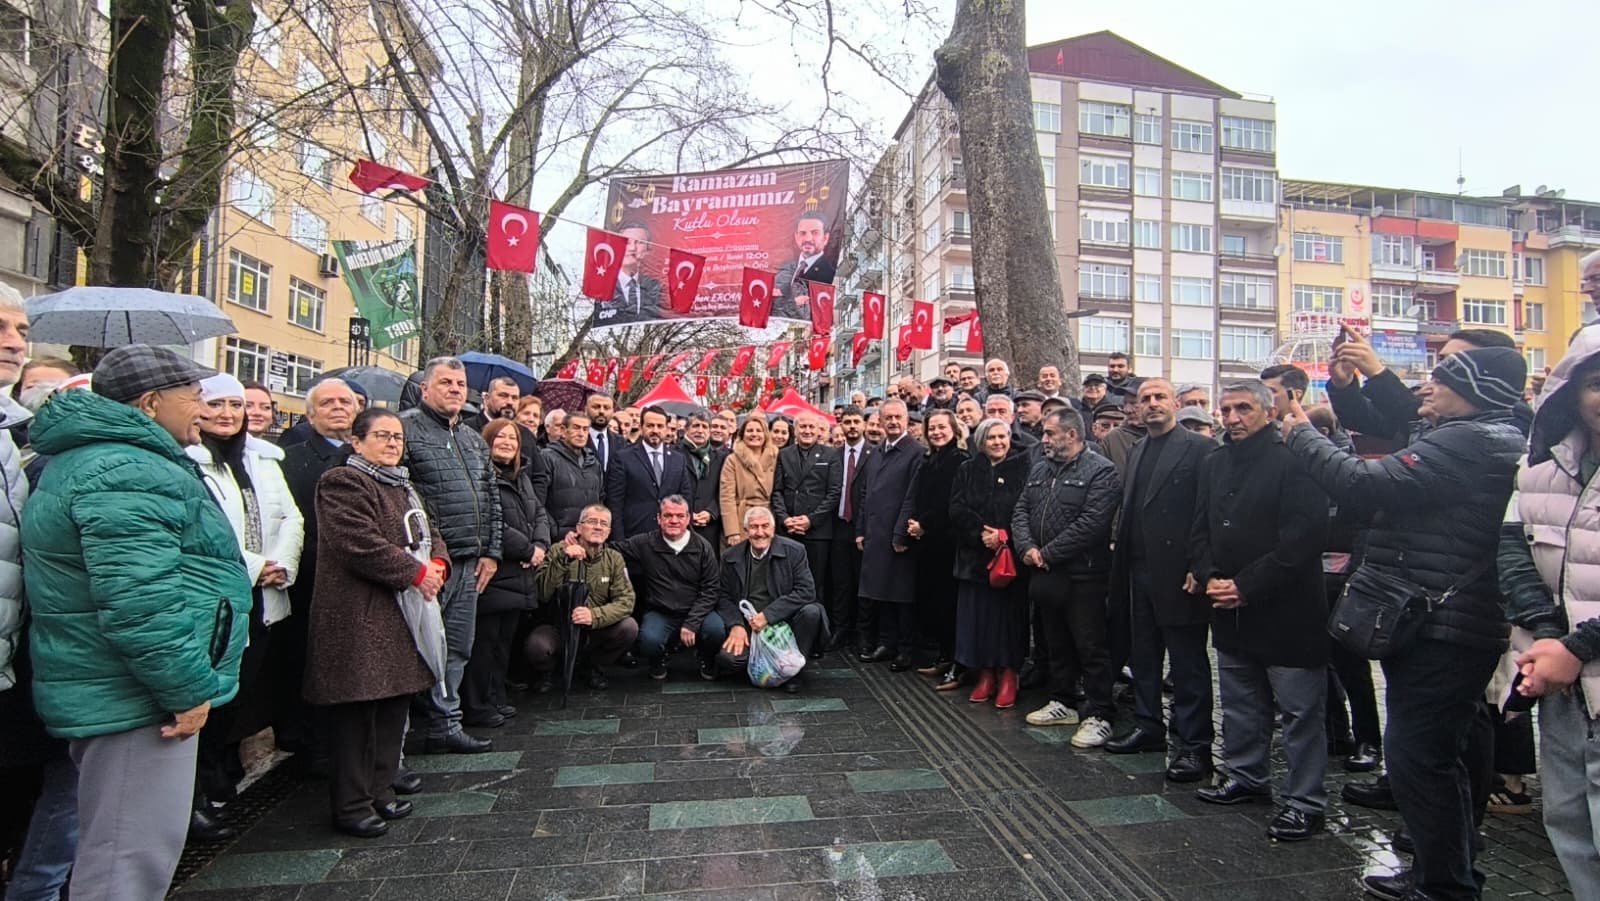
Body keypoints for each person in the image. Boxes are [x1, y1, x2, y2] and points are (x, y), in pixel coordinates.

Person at [1283, 346, 1527, 898]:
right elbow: (1393, 429)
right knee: (1440, 757)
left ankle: (1444, 886)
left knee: (1420, 760)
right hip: (1444, 618)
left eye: (1444, 379)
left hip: (1441, 622)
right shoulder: (1482, 435)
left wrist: (1303, 436)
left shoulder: (1469, 441)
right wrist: (1349, 389)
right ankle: (1448, 871)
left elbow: (1365, 484)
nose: (1429, 387)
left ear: (1477, 391)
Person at [22, 345, 251, 899]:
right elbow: (140, 600)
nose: (205, 408)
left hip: (123, 689)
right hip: (138, 698)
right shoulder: (125, 469)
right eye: (193, 396)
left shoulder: (115, 460)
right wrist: (186, 689)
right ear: (150, 403)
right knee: (126, 863)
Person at [1190, 380, 1330, 842]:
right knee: (1240, 702)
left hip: (1287, 611)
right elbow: (1200, 528)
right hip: (1229, 607)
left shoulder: (1295, 460)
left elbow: (1304, 538)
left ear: (1269, 412)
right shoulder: (1214, 462)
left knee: (1299, 713)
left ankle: (1305, 801)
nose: (1232, 418)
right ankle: (1246, 775)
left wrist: (1246, 586)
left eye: (1244, 408)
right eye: (1226, 409)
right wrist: (1208, 575)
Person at [303, 408, 444, 839]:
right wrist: (415, 572)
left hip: (401, 613)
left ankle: (381, 789)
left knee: (392, 708)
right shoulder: (343, 482)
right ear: (357, 441)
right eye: (382, 436)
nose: (392, 444)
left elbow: (428, 531)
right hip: (358, 615)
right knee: (357, 717)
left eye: (397, 437)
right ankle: (351, 804)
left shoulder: (402, 484)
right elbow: (358, 543)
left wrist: (438, 562)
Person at [1498, 327, 1600, 899]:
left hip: (1580, 663)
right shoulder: (1539, 468)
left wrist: (1578, 647)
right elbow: (1513, 548)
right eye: (1595, 383)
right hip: (1561, 685)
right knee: (1569, 821)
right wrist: (1546, 636)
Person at [186, 374, 304, 840]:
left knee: (241, 693)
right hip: (220, 595)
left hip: (267, 592)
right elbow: (208, 528)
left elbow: (290, 516)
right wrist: (255, 566)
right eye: (216, 404)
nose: (228, 414)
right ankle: (194, 795)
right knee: (210, 699)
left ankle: (217, 777)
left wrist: (282, 564)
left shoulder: (262, 459)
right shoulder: (190, 462)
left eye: (235, 405)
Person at [1105, 379, 1217, 783]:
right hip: (1137, 569)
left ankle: (1195, 745)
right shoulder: (1138, 450)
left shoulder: (1200, 449)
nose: (1152, 404)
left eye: (1159, 398)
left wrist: (1200, 567)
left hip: (1179, 573)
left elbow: (1207, 512)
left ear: (1175, 404)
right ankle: (1148, 725)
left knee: (1187, 664)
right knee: (1145, 656)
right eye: (1145, 399)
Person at [400, 357, 502, 755]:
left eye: (460, 384)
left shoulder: (472, 439)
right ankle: (402, 736)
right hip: (429, 563)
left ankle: (446, 723)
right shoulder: (406, 431)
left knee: (457, 647)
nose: (455, 389)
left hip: (471, 562)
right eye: (445, 382)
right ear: (425, 389)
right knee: (415, 648)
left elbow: (491, 498)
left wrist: (491, 552)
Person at [1014, 409, 1121, 748]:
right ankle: (1063, 700)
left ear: (1071, 434)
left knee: (1090, 645)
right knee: (1055, 641)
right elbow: (1021, 510)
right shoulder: (1041, 468)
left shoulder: (1101, 471)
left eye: (1049, 433)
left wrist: (1047, 553)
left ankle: (1100, 713)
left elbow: (1092, 524)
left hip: (1084, 575)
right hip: (1046, 574)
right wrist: (1027, 548)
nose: (1043, 439)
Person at [274, 378, 358, 768]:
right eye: (327, 403)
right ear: (310, 415)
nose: (338, 408)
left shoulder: (370, 454)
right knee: (309, 662)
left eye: (344, 401)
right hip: (311, 577)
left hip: (362, 581)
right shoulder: (290, 461)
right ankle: (314, 746)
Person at [462, 420, 551, 729]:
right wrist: (527, 550)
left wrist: (541, 544)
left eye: (512, 438)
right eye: (500, 436)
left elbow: (539, 512)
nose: (507, 442)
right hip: (497, 569)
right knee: (484, 644)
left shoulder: (521, 476)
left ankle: (496, 696)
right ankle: (476, 704)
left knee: (503, 642)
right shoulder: (481, 475)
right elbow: (491, 520)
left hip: (521, 572)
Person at [948, 419, 1031, 709]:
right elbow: (957, 507)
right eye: (991, 438)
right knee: (979, 620)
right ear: (981, 442)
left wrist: (1005, 535)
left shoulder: (1024, 467)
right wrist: (980, 533)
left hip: (1011, 561)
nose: (997, 442)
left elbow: (1028, 507)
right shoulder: (968, 469)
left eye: (1001, 437)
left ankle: (1009, 674)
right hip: (975, 558)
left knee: (1009, 620)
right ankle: (985, 674)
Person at [715, 507, 829, 693]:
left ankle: (793, 672)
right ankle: (766, 665)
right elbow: (723, 596)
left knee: (812, 612)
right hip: (750, 624)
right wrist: (736, 625)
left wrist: (768, 615)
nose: (760, 532)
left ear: (774, 529)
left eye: (765, 526)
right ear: (746, 531)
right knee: (730, 660)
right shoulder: (731, 556)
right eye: (754, 527)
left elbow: (806, 591)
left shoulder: (794, 551)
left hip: (785, 621)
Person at [529, 506, 639, 690]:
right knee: (537, 647)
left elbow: (626, 601)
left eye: (603, 524)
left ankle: (594, 667)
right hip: (559, 626)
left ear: (609, 532)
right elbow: (542, 593)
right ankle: (549, 672)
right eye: (592, 522)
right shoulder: (557, 550)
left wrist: (594, 615)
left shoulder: (614, 559)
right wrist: (563, 561)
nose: (598, 527)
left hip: (595, 628)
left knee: (629, 627)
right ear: (579, 528)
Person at [617, 496, 725, 681]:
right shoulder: (645, 543)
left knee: (717, 631)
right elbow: (611, 549)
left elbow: (711, 589)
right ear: (659, 518)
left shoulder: (703, 547)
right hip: (661, 612)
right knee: (649, 641)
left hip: (697, 611)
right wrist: (577, 540)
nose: (674, 520)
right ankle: (659, 658)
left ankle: (706, 657)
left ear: (688, 519)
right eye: (668, 516)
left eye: (680, 516)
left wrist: (692, 623)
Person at [853, 399, 923, 667]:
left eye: (897, 417)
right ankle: (886, 642)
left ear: (906, 420)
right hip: (875, 534)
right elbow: (865, 494)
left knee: (902, 595)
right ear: (880, 421)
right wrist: (860, 530)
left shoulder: (916, 452)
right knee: (879, 592)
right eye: (888, 418)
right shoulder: (877, 452)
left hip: (897, 536)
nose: (893, 422)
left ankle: (905, 648)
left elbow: (912, 497)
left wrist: (900, 534)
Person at [899, 409, 967, 682]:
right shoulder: (929, 460)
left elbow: (950, 501)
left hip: (947, 542)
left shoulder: (959, 460)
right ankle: (943, 656)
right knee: (935, 604)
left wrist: (924, 524)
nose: (937, 432)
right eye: (933, 428)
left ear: (954, 429)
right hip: (928, 543)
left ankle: (956, 663)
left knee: (950, 605)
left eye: (942, 427)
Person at [772, 412, 841, 625]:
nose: (807, 431)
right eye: (803, 427)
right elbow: (777, 491)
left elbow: (834, 493)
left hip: (817, 531)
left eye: (812, 427)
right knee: (787, 583)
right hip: (789, 530)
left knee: (816, 584)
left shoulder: (830, 455)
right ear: (796, 429)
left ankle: (817, 629)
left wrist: (810, 520)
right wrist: (785, 519)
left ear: (819, 430)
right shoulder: (784, 455)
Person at [605, 405, 694, 539]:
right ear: (641, 427)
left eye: (660, 426)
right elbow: (615, 503)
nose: (655, 430)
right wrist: (618, 540)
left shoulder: (678, 459)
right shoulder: (623, 458)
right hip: (634, 536)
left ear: (666, 428)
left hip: (669, 536)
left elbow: (686, 499)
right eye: (650, 426)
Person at [830, 406, 868, 651]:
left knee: (862, 581)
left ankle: (862, 633)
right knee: (840, 581)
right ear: (841, 425)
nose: (852, 426)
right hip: (838, 525)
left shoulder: (874, 454)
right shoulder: (833, 455)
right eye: (847, 422)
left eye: (856, 421)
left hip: (862, 526)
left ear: (863, 424)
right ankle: (840, 629)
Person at [542, 410, 605, 534]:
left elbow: (600, 499)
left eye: (585, 429)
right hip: (557, 537)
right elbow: (538, 501)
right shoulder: (547, 457)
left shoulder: (594, 463)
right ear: (563, 430)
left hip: (587, 535)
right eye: (576, 428)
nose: (581, 434)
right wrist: (554, 531)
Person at [719, 415, 778, 547]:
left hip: (769, 515)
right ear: (742, 434)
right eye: (750, 430)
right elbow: (727, 497)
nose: (754, 434)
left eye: (759, 430)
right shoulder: (732, 460)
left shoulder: (775, 457)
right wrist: (732, 531)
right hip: (742, 517)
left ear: (765, 434)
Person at [678, 411, 729, 550]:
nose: (700, 430)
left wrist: (711, 512)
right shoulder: (673, 453)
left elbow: (724, 491)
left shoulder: (721, 457)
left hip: (710, 527)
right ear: (686, 429)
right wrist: (687, 512)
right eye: (695, 426)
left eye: (704, 426)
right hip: (680, 523)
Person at [595, 223, 663, 326]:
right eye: (626, 242)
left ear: (648, 250)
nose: (632, 248)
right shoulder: (602, 286)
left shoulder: (655, 287)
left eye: (639, 242)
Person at [772, 211, 836, 320]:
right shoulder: (785, 269)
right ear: (796, 237)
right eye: (803, 233)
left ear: (825, 238)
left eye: (815, 233)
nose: (808, 239)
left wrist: (791, 304)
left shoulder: (829, 273)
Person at [586, 393, 625, 474]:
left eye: (606, 408)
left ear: (613, 412)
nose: (601, 411)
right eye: (596, 407)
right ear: (586, 409)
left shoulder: (621, 442)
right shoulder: (578, 439)